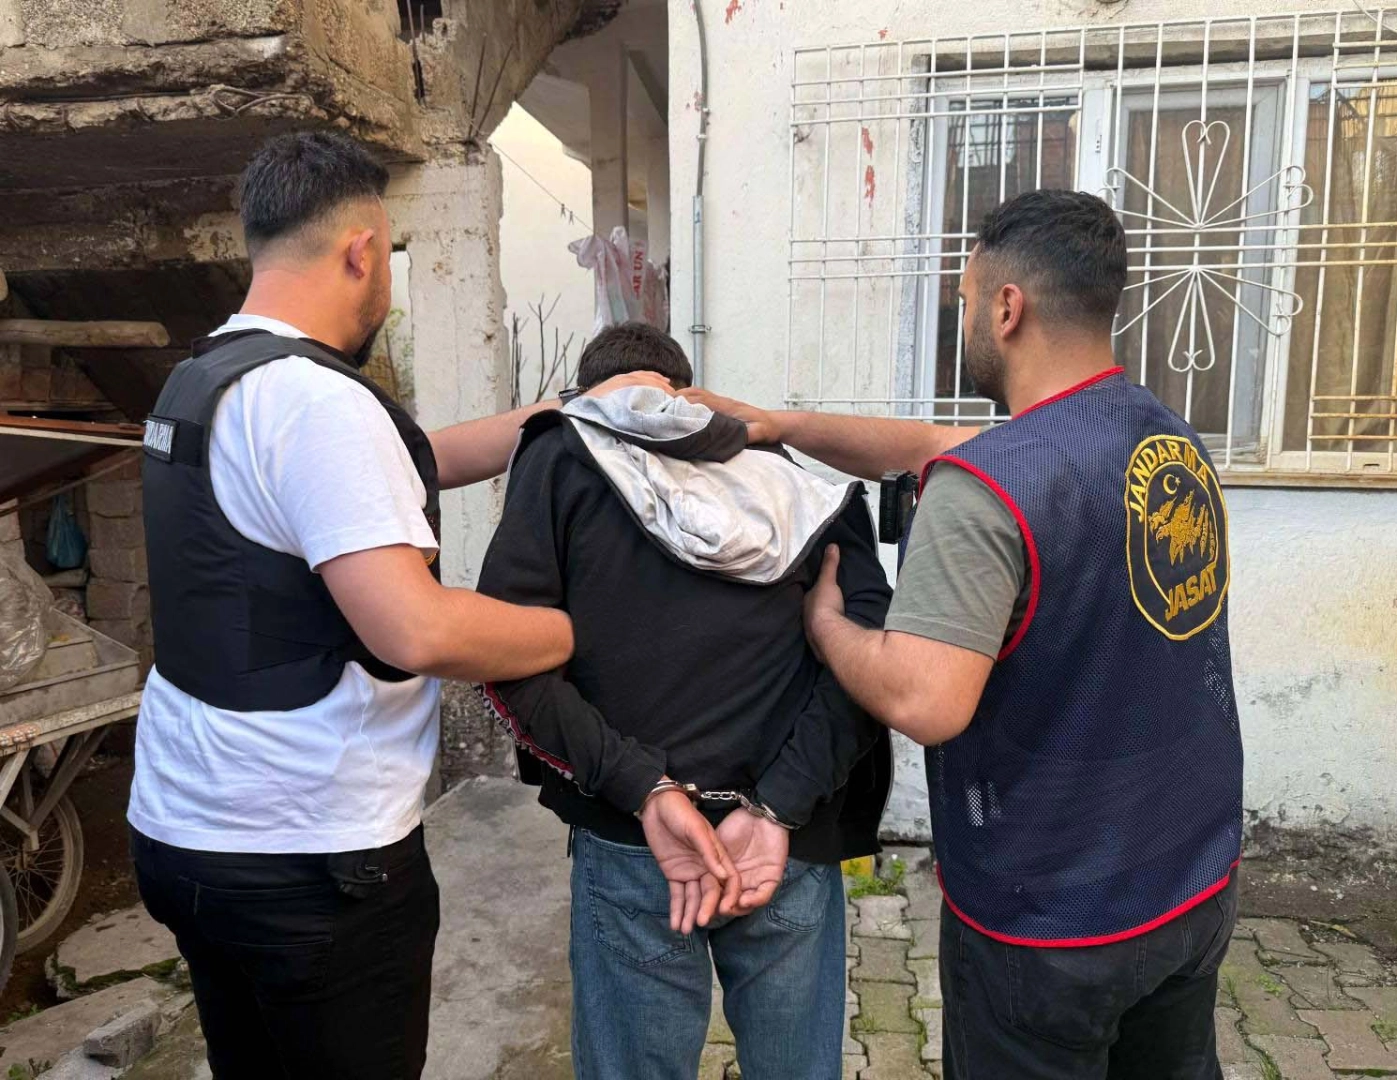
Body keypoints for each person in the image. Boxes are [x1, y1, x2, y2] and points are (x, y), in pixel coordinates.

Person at [128, 131, 666, 1079]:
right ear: (362, 251)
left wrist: (571, 409)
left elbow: (403, 463)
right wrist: (584, 628)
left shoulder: (207, 377)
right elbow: (416, 629)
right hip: (309, 858)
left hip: (188, 831)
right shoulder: (317, 405)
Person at [685, 190, 1244, 1080]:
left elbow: (924, 699)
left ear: (1006, 308)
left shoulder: (984, 489)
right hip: (1189, 880)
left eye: (964, 299)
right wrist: (778, 425)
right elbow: (925, 442)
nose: (963, 318)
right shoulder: (1160, 434)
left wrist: (827, 625)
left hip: (1050, 919)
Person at [474, 321, 894, 1080]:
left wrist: (642, 785)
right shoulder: (797, 477)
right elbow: (873, 660)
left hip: (635, 834)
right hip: (783, 838)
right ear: (687, 387)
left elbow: (503, 657)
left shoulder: (558, 458)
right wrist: (779, 803)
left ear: (585, 391)